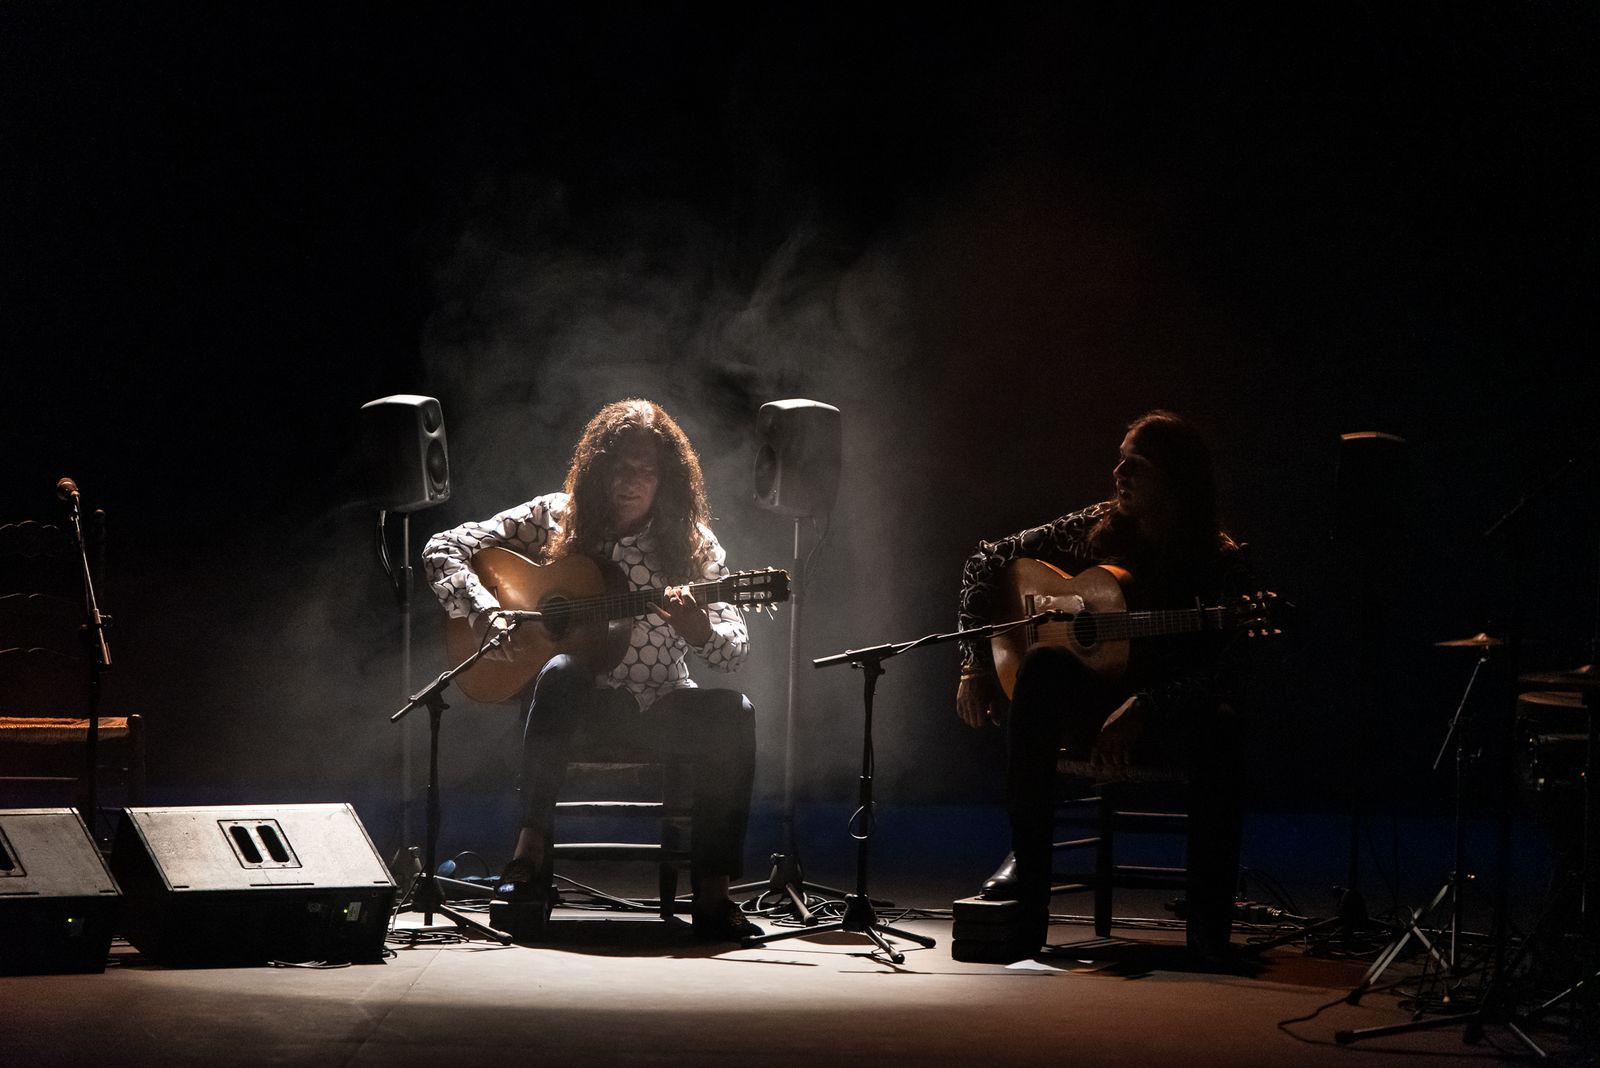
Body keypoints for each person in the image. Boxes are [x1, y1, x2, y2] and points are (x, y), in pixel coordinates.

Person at [423, 398, 760, 941]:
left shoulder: (694, 546)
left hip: (663, 706)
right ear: (597, 468)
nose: (630, 482)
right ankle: (527, 859)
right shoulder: (555, 518)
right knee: (560, 670)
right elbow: (443, 547)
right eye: (620, 467)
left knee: (733, 712)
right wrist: (484, 610)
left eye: (645, 471)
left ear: (666, 479)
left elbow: (736, 651)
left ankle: (714, 893)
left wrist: (700, 630)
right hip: (585, 708)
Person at [955, 409, 1253, 958]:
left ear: (1175, 480)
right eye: (1120, 460)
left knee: (1226, 726)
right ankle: (1028, 881)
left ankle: (1209, 924)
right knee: (1042, 666)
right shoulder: (1096, 527)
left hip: (1166, 720)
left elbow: (1232, 669)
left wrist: (1148, 704)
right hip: (1094, 708)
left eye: (1135, 466)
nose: (1118, 473)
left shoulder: (1219, 560)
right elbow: (986, 562)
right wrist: (975, 663)